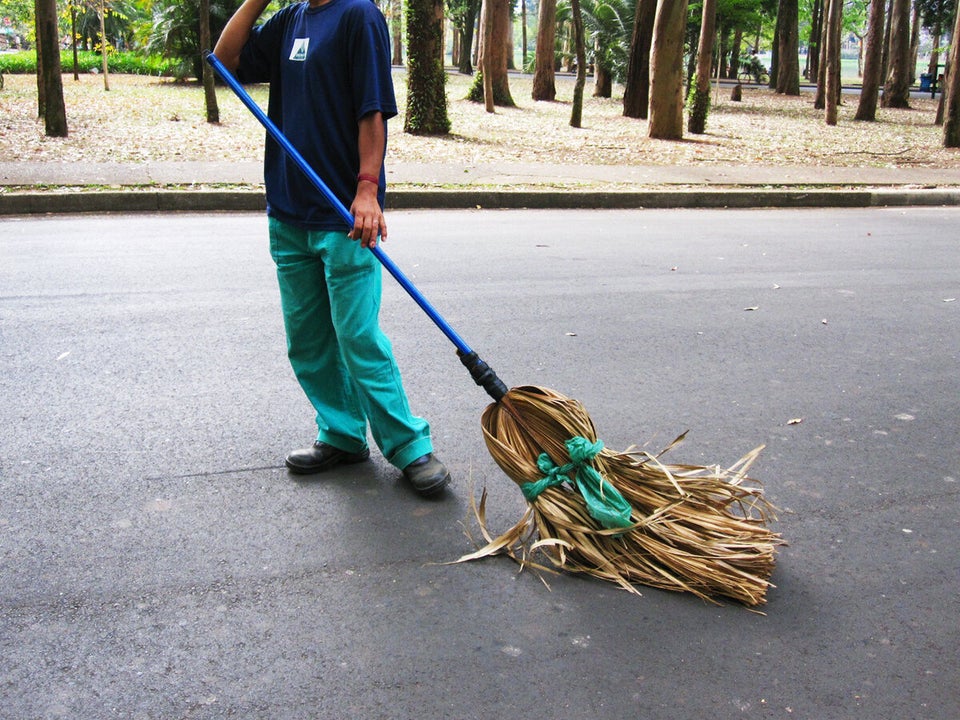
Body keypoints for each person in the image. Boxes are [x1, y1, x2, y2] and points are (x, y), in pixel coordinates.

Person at [214, 0, 450, 496]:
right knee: (308, 341)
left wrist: (368, 189)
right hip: (289, 209)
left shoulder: (358, 16)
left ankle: (409, 446)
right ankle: (342, 434)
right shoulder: (289, 19)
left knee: (357, 337)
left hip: (343, 214)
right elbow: (225, 59)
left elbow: (373, 112)